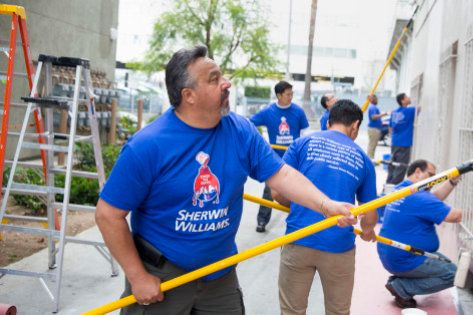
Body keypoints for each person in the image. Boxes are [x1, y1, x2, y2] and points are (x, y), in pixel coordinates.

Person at [94, 46, 356, 315]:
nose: (226, 83)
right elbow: (108, 215)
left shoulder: (240, 131)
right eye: (214, 79)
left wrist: (327, 205)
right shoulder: (148, 146)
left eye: (222, 75)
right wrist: (137, 276)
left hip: (219, 276)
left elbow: (283, 175)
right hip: (163, 277)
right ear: (189, 96)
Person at [271, 100, 378, 315]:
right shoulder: (363, 160)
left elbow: (278, 194)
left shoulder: (301, 143)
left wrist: (300, 208)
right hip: (338, 247)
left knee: (292, 311)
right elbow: (370, 213)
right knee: (338, 312)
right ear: (355, 125)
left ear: (329, 122)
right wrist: (368, 232)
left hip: (299, 238)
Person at [377, 159, 462, 308]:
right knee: (454, 274)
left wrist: (452, 182)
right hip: (406, 258)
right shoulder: (419, 197)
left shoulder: (400, 190)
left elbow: (432, 200)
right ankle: (403, 287)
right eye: (431, 176)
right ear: (417, 172)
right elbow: (454, 216)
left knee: (446, 263)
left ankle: (398, 281)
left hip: (393, 254)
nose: (434, 181)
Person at [250, 81, 309, 232]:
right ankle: (262, 221)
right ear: (279, 95)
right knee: (269, 192)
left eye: (292, 94)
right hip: (274, 160)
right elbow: (250, 124)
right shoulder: (268, 111)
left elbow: (305, 134)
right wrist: (261, 142)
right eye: (288, 94)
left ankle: (299, 222)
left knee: (298, 191)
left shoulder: (298, 112)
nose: (290, 97)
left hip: (294, 159)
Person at [386, 93, 420, 184]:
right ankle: (394, 190)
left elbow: (390, 128)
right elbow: (421, 107)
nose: (409, 98)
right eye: (407, 97)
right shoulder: (410, 111)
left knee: (393, 165)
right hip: (404, 143)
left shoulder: (394, 112)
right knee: (401, 168)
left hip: (395, 142)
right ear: (402, 100)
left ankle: (388, 185)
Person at [366, 94, 388, 159]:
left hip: (374, 128)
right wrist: (384, 114)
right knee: (372, 145)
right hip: (374, 129)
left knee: (373, 145)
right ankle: (370, 159)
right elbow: (373, 117)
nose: (377, 99)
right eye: (375, 98)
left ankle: (371, 158)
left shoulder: (373, 107)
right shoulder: (373, 107)